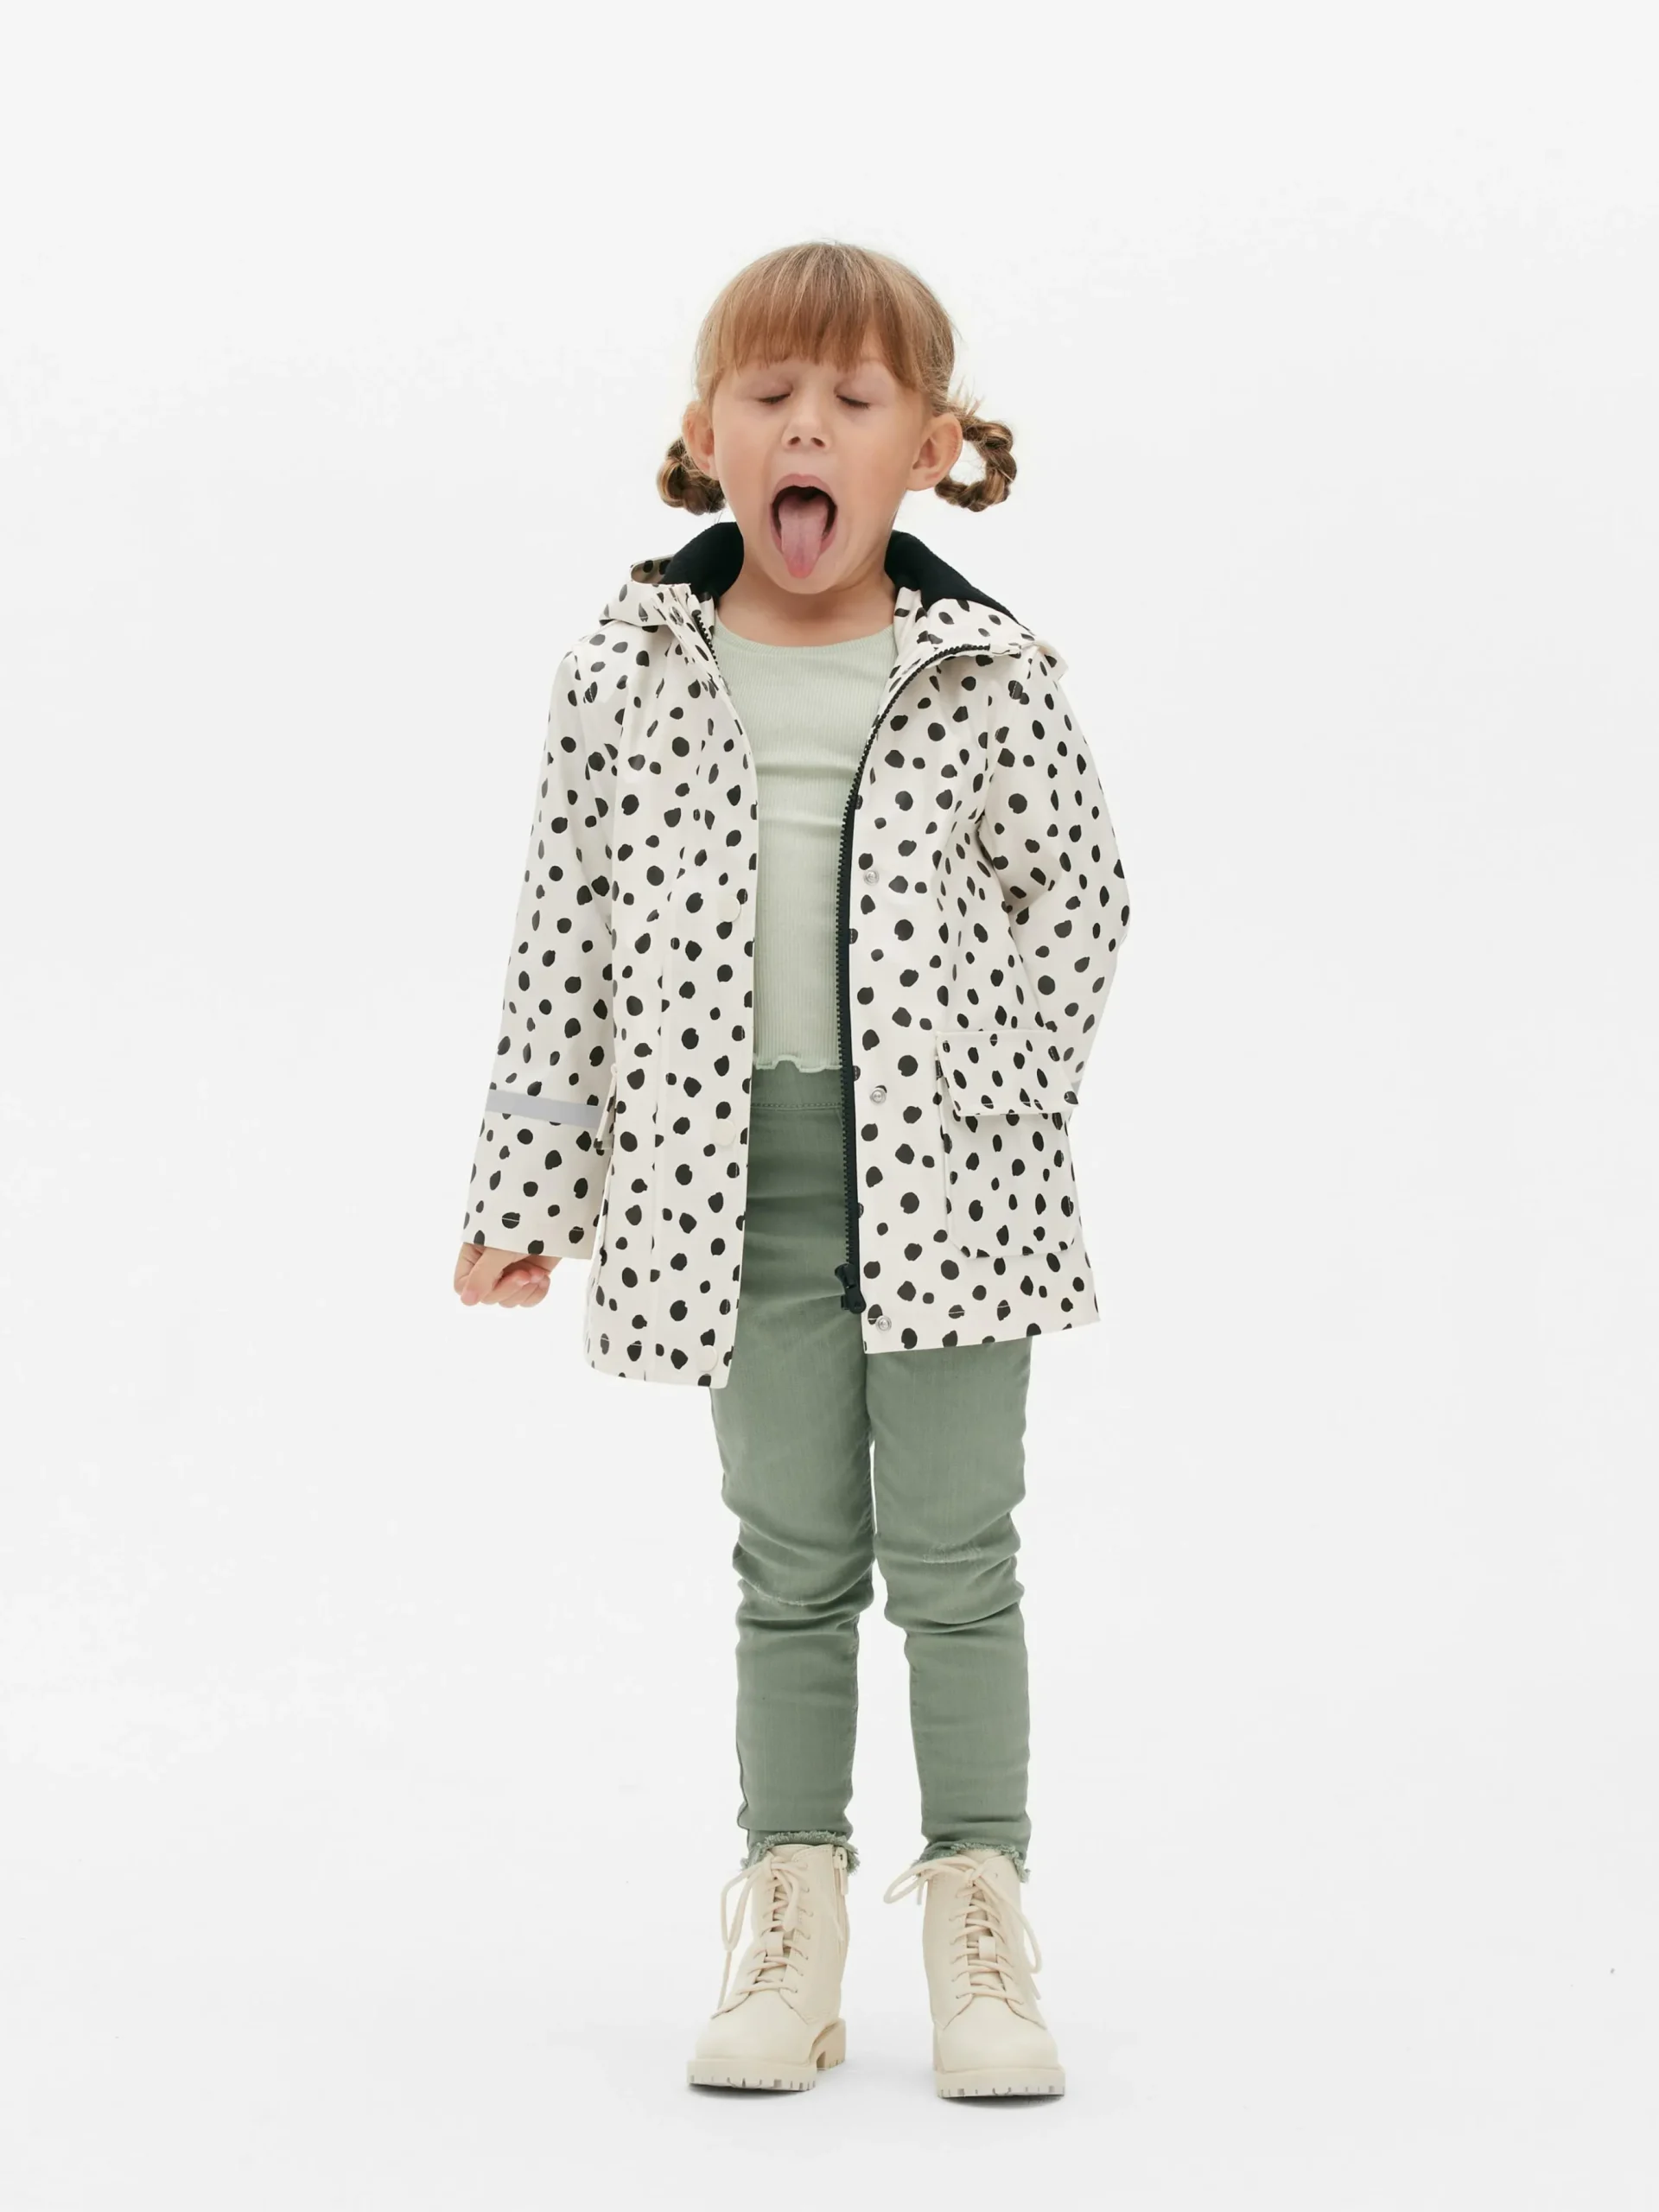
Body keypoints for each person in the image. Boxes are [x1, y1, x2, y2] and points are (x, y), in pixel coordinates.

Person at [453, 241, 1131, 2099]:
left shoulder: (985, 670)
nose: (807, 429)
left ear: (930, 448)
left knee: (959, 1558)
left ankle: (980, 1919)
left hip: (955, 1198)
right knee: (792, 1565)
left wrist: (993, 1102)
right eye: (770, 397)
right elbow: (564, 938)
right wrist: (529, 1193)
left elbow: (1080, 900)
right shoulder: (627, 668)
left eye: (853, 400)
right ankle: (790, 1921)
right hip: (725, 1189)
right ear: (706, 436)